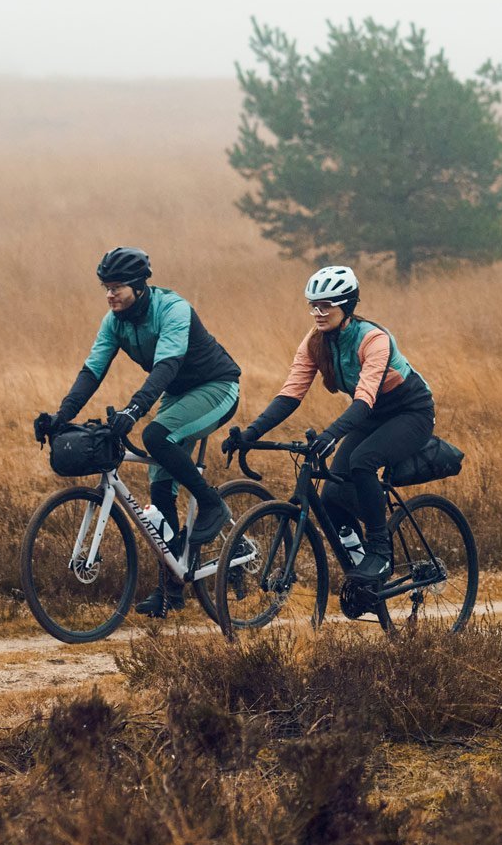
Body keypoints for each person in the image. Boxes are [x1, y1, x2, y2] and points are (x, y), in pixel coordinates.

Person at [38, 247, 241, 617]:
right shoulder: (114, 321)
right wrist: (60, 417)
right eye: (106, 287)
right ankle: (171, 589)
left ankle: (212, 503)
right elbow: (92, 372)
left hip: (217, 386)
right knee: (160, 488)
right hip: (179, 394)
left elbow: (166, 366)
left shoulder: (172, 309)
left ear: (138, 286)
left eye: (116, 287)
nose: (110, 294)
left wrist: (135, 410)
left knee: (155, 436)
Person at [224, 266, 435, 583]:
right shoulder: (315, 342)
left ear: (347, 306)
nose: (318, 313)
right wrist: (251, 434)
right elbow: (290, 394)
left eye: (326, 306)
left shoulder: (374, 339)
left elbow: (364, 399)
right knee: (330, 498)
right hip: (372, 415)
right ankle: (363, 572)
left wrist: (331, 435)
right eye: (313, 305)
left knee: (362, 461)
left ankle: (380, 553)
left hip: (411, 412)